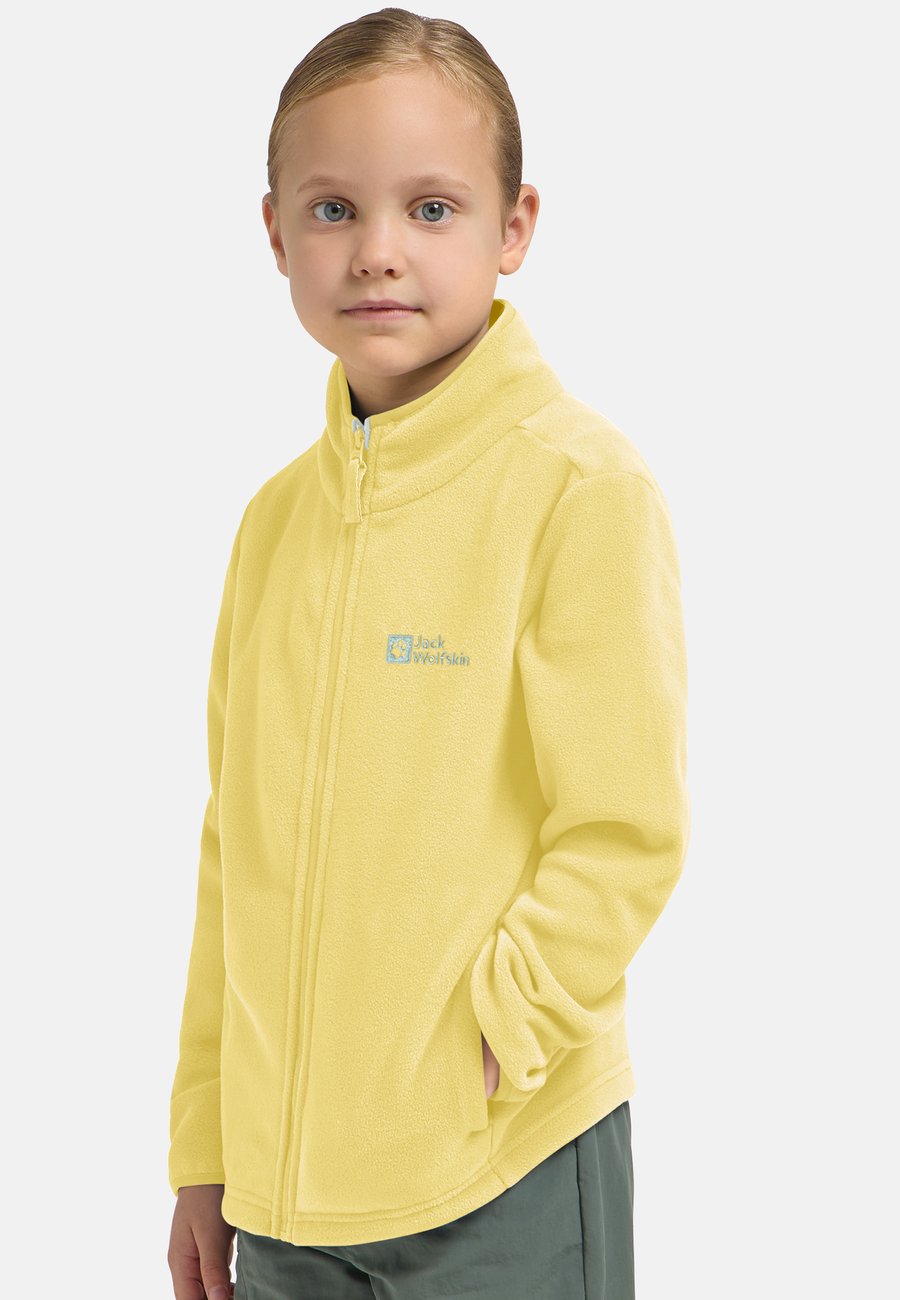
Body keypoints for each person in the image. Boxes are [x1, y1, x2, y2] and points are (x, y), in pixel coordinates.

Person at [166, 8, 691, 1299]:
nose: (378, 251)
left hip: (503, 1165)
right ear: (275, 232)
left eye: (433, 208)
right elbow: (235, 852)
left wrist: (503, 1028)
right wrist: (208, 1145)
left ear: (515, 227)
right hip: (287, 1202)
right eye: (333, 209)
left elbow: (625, 828)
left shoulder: (578, 489)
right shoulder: (272, 528)